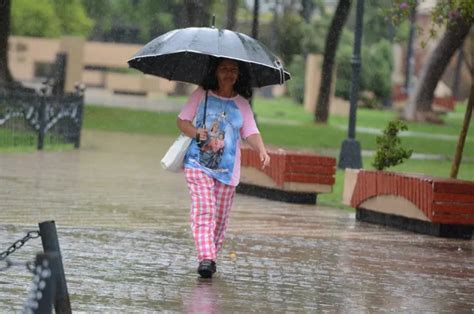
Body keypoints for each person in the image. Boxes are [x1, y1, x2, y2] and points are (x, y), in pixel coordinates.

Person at [176, 58, 270, 278]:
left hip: (227, 171)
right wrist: (195, 132)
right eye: (224, 69)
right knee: (204, 209)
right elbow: (182, 121)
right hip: (198, 163)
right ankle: (206, 258)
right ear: (215, 72)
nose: (229, 74)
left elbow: (251, 131)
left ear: (239, 75)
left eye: (233, 70)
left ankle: (211, 257)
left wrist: (262, 150)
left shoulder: (242, 104)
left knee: (219, 220)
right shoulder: (201, 94)